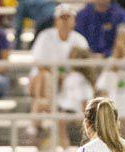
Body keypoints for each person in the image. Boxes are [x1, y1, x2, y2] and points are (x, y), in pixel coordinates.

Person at [28, 3, 88, 140]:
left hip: (69, 83)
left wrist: (64, 77)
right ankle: (46, 118)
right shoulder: (45, 36)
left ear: (74, 20)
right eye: (62, 17)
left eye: (68, 17)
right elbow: (39, 65)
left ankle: (42, 121)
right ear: (56, 20)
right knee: (45, 76)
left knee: (77, 80)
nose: (65, 21)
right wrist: (58, 76)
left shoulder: (80, 40)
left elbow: (84, 68)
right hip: (44, 82)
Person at [56, 47, 96, 152]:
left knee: (61, 119)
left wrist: (86, 118)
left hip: (79, 112)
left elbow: (85, 101)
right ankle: (66, 151)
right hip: (66, 109)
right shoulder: (69, 77)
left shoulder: (82, 80)